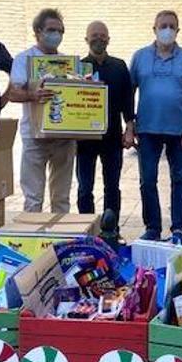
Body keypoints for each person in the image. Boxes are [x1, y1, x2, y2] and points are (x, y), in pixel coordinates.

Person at [126, 10, 182, 245]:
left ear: (178, 30)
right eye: (163, 25)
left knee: (180, 179)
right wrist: (129, 125)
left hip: (179, 131)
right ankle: (152, 228)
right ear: (154, 29)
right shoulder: (140, 57)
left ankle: (178, 229)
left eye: (172, 26)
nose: (167, 30)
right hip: (147, 129)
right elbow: (129, 92)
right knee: (147, 180)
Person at [8, 8, 74, 213]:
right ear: (38, 31)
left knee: (61, 199)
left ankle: (60, 240)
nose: (56, 35)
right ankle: (32, 241)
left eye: (60, 31)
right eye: (51, 30)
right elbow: (12, 93)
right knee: (33, 199)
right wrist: (32, 95)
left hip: (64, 138)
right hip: (34, 137)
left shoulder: (68, 63)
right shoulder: (24, 59)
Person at [76, 21, 134, 218]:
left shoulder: (119, 66)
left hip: (112, 136)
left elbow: (128, 99)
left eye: (102, 35)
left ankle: (112, 229)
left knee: (112, 187)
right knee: (85, 188)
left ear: (108, 39)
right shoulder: (79, 68)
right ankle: (87, 228)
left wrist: (130, 128)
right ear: (86, 39)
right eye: (94, 35)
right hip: (85, 139)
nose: (98, 39)